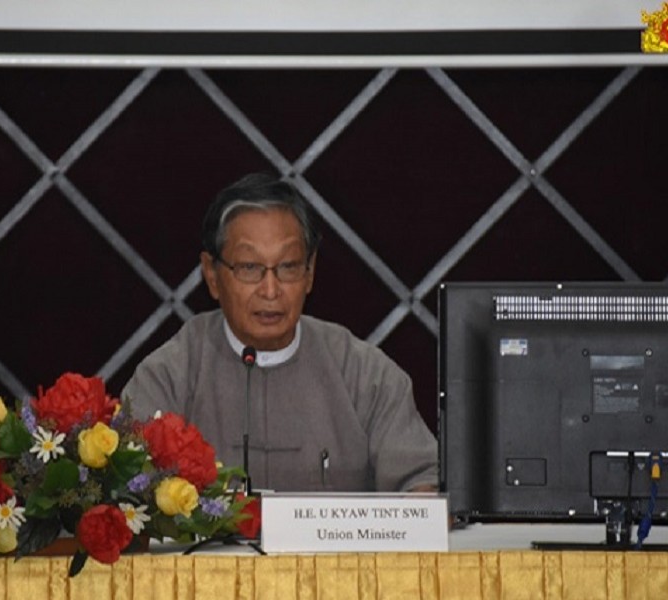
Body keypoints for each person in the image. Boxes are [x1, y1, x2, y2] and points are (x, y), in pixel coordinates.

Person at [122, 173, 438, 492]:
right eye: (249, 268)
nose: (271, 290)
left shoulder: (364, 372)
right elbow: (128, 491)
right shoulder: (169, 374)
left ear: (310, 272)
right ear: (212, 275)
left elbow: (425, 487)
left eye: (287, 267)